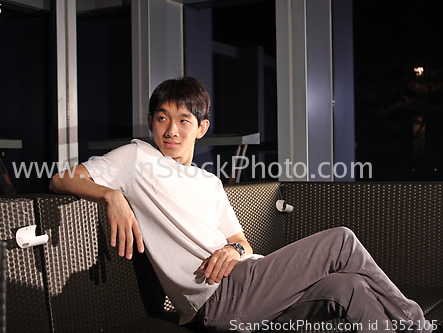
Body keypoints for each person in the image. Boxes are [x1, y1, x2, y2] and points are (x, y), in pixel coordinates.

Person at [50, 76, 440, 333]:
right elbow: (60, 178)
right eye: (162, 119)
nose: (171, 130)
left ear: (201, 128)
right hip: (216, 299)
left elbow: (241, 240)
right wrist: (111, 194)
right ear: (151, 123)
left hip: (250, 282)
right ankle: (416, 323)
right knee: (340, 241)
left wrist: (233, 248)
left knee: (348, 288)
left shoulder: (210, 181)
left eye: (183, 120)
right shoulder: (136, 159)